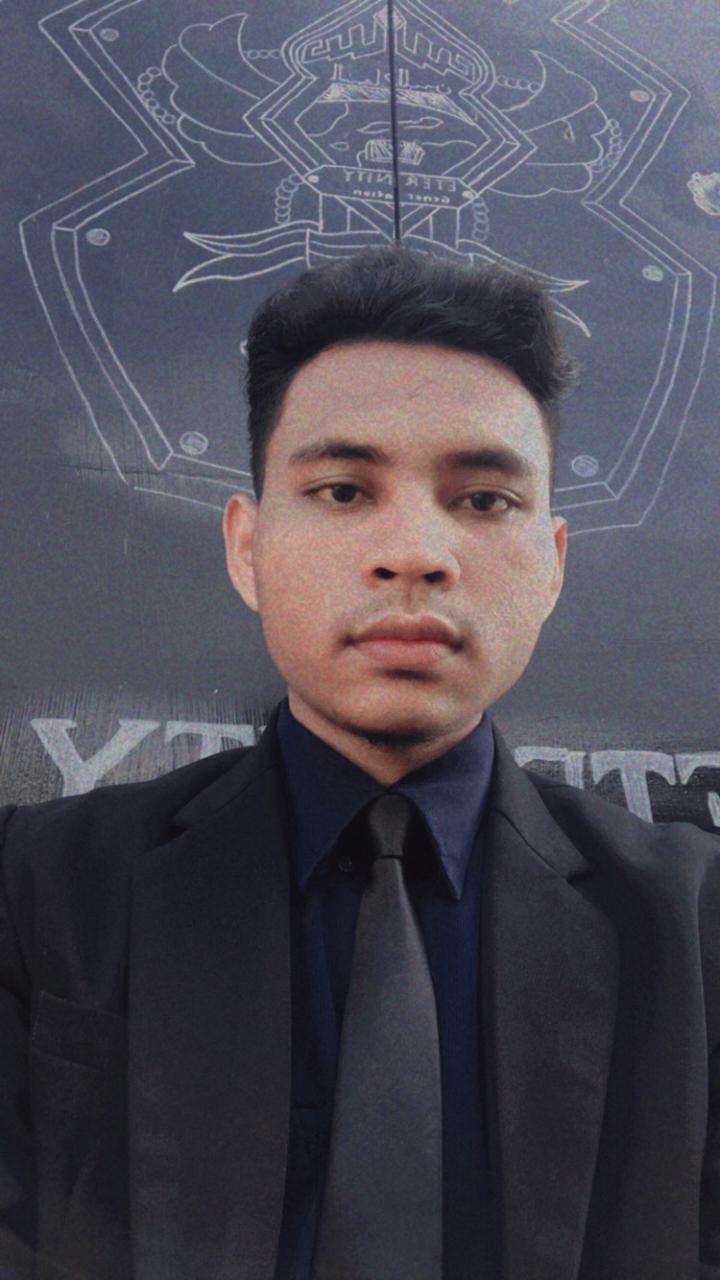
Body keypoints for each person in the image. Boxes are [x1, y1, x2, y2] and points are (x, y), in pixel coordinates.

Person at [0, 246, 718, 1280]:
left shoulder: (694, 925)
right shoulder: (39, 888)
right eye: (343, 490)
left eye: (484, 500)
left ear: (553, 564)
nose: (414, 551)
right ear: (247, 547)